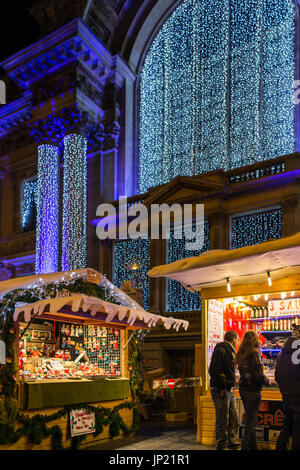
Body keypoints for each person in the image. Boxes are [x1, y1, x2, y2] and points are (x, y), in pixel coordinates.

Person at [236, 330, 269, 450]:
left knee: (250, 420)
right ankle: (244, 447)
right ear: (255, 340)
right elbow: (259, 375)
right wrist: (269, 382)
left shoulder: (241, 353)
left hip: (243, 389)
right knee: (250, 423)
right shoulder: (255, 353)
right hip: (253, 391)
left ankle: (253, 448)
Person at [209, 330, 240, 450]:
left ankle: (232, 441)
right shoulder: (221, 350)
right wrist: (223, 385)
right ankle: (221, 445)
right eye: (237, 339)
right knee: (223, 418)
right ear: (233, 339)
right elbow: (213, 371)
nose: (237, 342)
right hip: (221, 390)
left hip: (228, 390)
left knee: (233, 417)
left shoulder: (229, 351)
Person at [275, 323, 300, 451]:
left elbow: (277, 376)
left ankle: (280, 447)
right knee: (297, 428)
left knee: (287, 425)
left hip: (286, 395)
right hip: (298, 395)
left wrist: (284, 388)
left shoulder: (281, 354)